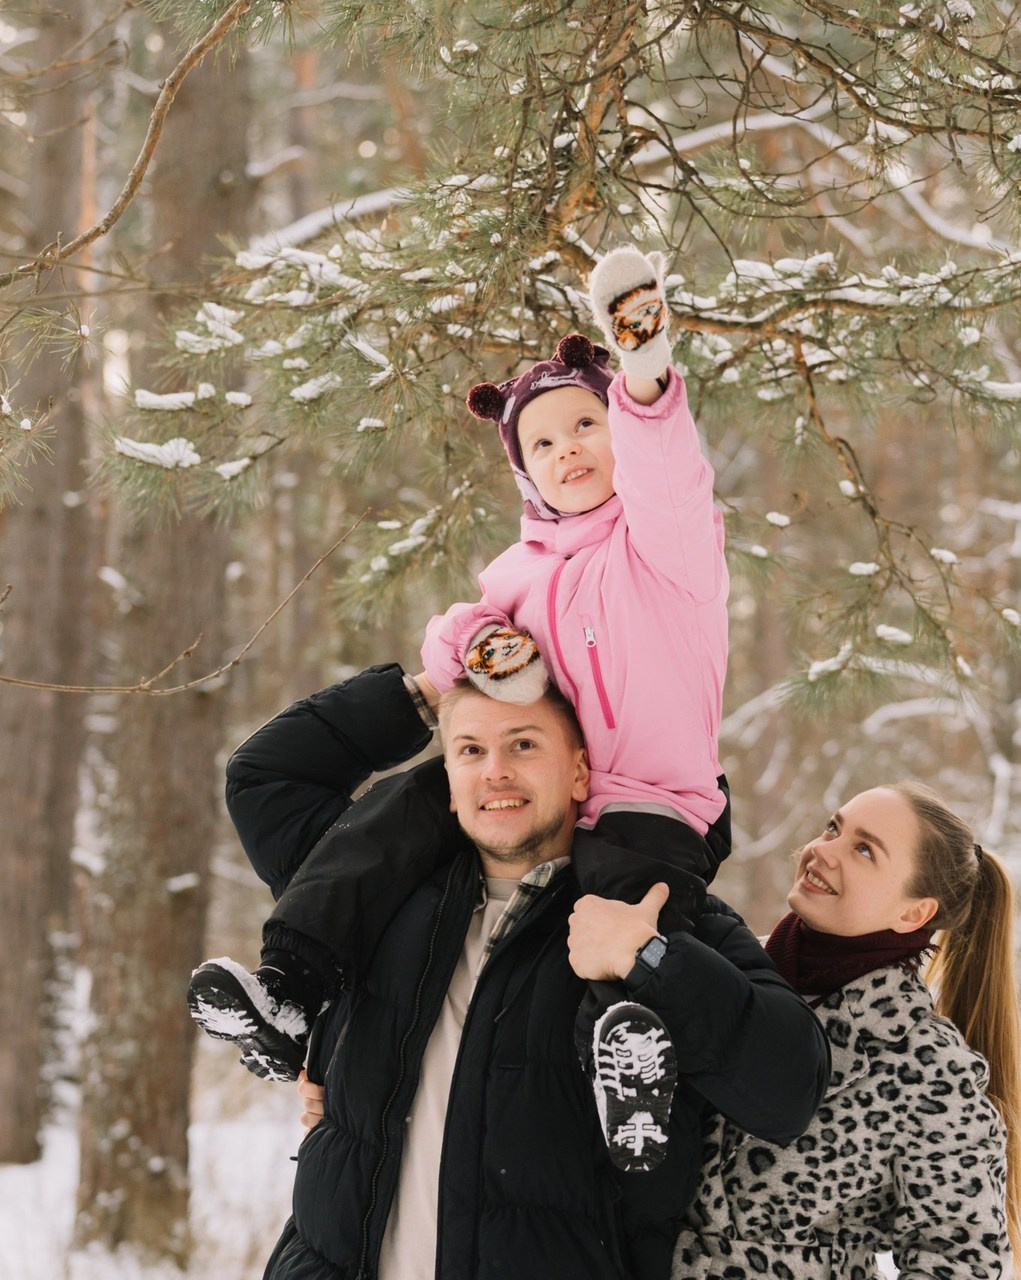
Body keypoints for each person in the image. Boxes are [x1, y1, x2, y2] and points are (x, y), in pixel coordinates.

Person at [188, 244, 730, 1171]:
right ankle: (293, 985)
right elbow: (456, 640)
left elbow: (673, 478)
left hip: (654, 799)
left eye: (585, 425)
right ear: (523, 473)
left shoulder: (666, 552)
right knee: (402, 809)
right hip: (539, 783)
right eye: (543, 444)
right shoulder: (517, 572)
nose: (567, 451)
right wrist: (481, 647)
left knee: (615, 916)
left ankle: (634, 1067)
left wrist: (642, 376)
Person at [214, 662, 829, 1280]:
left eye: (524, 744)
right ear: (447, 781)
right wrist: (440, 678)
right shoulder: (368, 893)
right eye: (471, 749)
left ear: (582, 770)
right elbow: (266, 774)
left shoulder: (664, 918)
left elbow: (788, 1090)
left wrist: (649, 961)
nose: (495, 771)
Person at [568, 780, 1021, 1279]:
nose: (822, 851)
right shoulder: (711, 965)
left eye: (864, 850)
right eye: (834, 827)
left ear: (914, 913)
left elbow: (963, 1260)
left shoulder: (925, 1065)